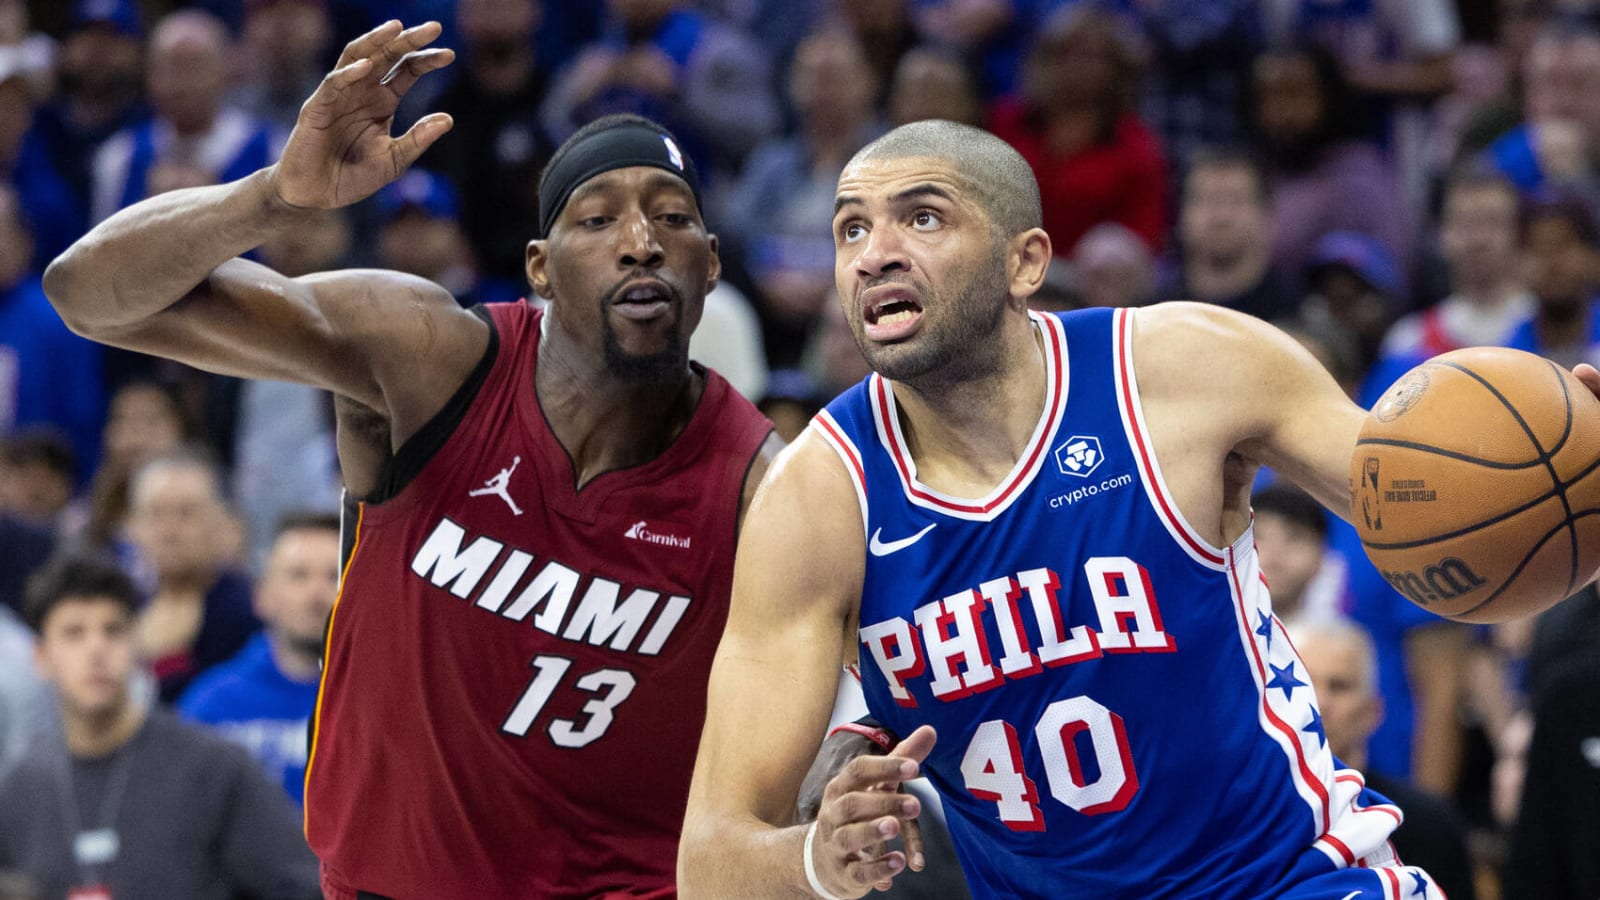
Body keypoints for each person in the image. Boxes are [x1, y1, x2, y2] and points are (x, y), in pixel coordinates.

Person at [44, 20, 778, 898]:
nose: (641, 241)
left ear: (711, 265)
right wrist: (272, 197)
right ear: (539, 268)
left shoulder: (762, 485)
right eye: (598, 218)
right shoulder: (433, 359)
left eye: (672, 218)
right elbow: (88, 295)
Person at [679, 120, 1494, 897]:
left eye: (922, 217)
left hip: (1288, 879)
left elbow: (1450, 515)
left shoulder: (1182, 370)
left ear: (1025, 262)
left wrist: (1564, 479)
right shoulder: (818, 498)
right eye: (850, 230)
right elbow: (710, 864)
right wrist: (817, 862)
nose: (874, 255)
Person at [0, 552, 319, 899]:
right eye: (74, 633)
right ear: (41, 657)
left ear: (137, 644)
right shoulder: (21, 788)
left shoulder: (213, 767)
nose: (96, 649)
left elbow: (303, 883)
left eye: (113, 631)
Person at [1288, 617, 1478, 900]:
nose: (1320, 702)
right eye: (1303, 683)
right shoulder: (1250, 816)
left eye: (1339, 686)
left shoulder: (1428, 824)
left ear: (1372, 711)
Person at [179, 512, 339, 805]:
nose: (317, 594)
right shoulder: (211, 705)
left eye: (333, 576)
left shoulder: (381, 704)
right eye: (298, 575)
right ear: (262, 595)